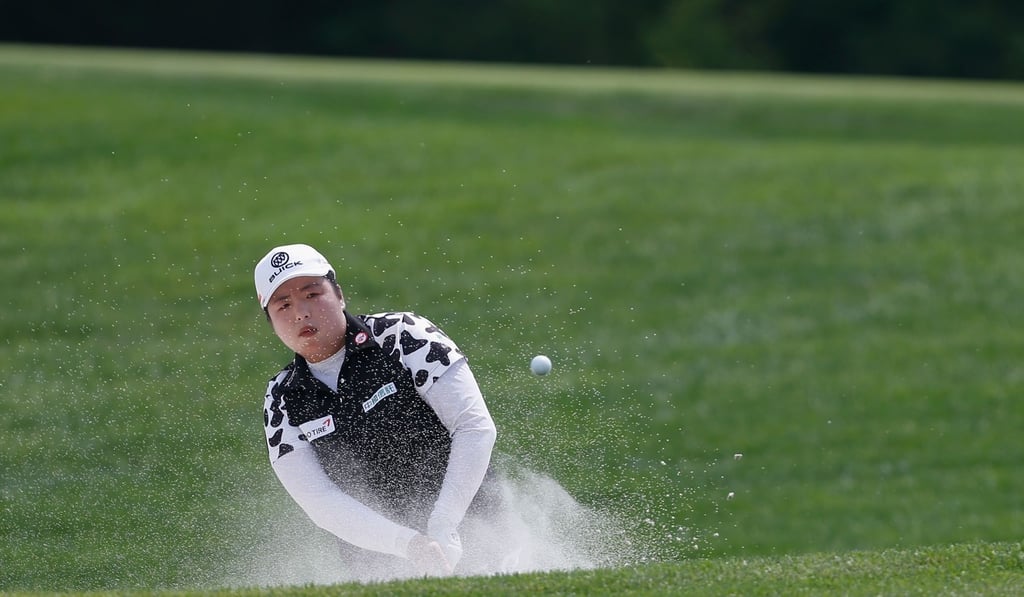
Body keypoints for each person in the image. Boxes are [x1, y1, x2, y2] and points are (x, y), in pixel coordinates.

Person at [254, 243, 508, 579]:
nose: (300, 312)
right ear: (272, 323)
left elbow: (474, 428)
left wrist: (444, 523)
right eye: (283, 305)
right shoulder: (282, 398)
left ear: (339, 295)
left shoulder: (403, 336)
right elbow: (319, 500)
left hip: (474, 523)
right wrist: (410, 545)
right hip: (381, 560)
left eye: (312, 294)